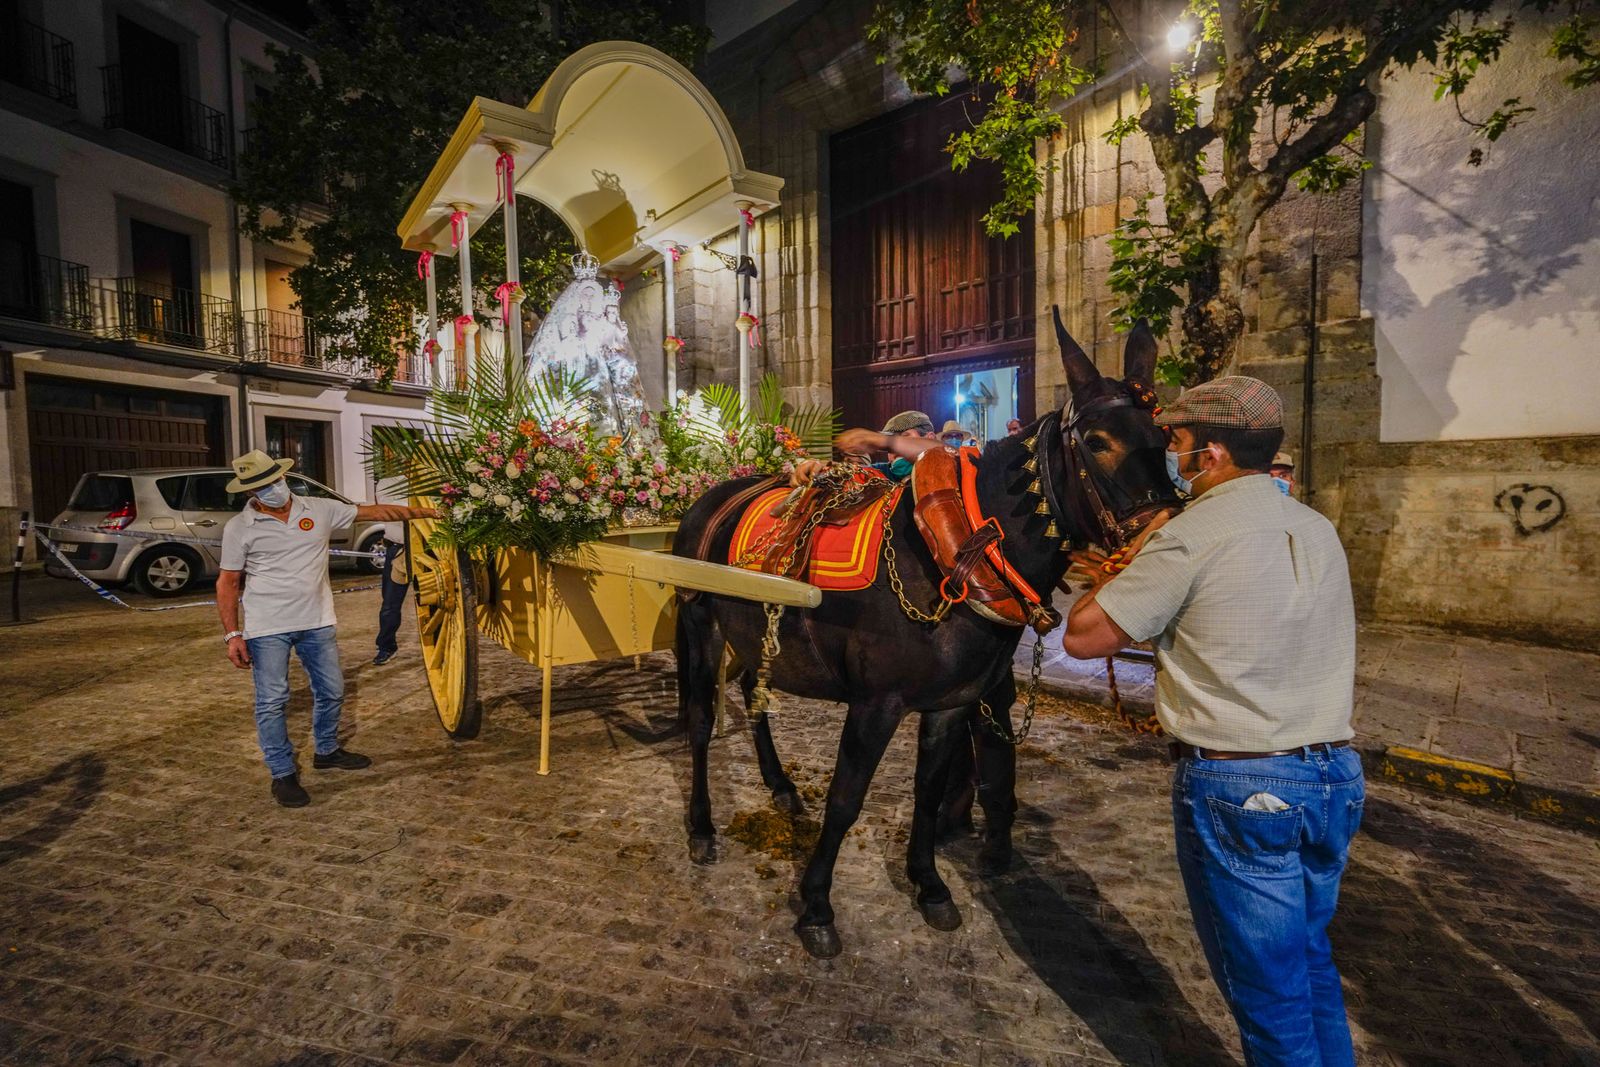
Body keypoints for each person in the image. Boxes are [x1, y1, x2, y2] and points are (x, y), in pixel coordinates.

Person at [1060, 376, 1362, 1067]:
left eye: (1180, 441)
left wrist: (1135, 552)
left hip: (1244, 788)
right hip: (1334, 776)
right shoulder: (1317, 527)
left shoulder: (1190, 536)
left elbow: (1082, 634)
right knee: (1312, 968)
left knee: (1270, 1002)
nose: (1172, 455)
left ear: (1214, 454)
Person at [216, 450, 437, 808]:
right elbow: (227, 582)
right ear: (250, 493)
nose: (275, 488)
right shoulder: (239, 528)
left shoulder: (317, 509)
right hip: (267, 626)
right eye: (264, 485)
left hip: (317, 620)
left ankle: (327, 749)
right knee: (272, 701)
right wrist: (232, 634)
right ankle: (282, 772)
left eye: (276, 479)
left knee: (332, 690)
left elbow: (376, 512)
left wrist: (429, 513)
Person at [372, 472, 410, 666]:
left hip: (430, 547)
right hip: (398, 549)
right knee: (390, 604)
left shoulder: (431, 477)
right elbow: (390, 509)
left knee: (435, 600)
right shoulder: (387, 481)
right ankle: (386, 646)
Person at [874, 410, 938, 481]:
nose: (895, 447)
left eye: (904, 437)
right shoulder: (876, 474)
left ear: (930, 439)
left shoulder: (947, 469)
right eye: (889, 443)